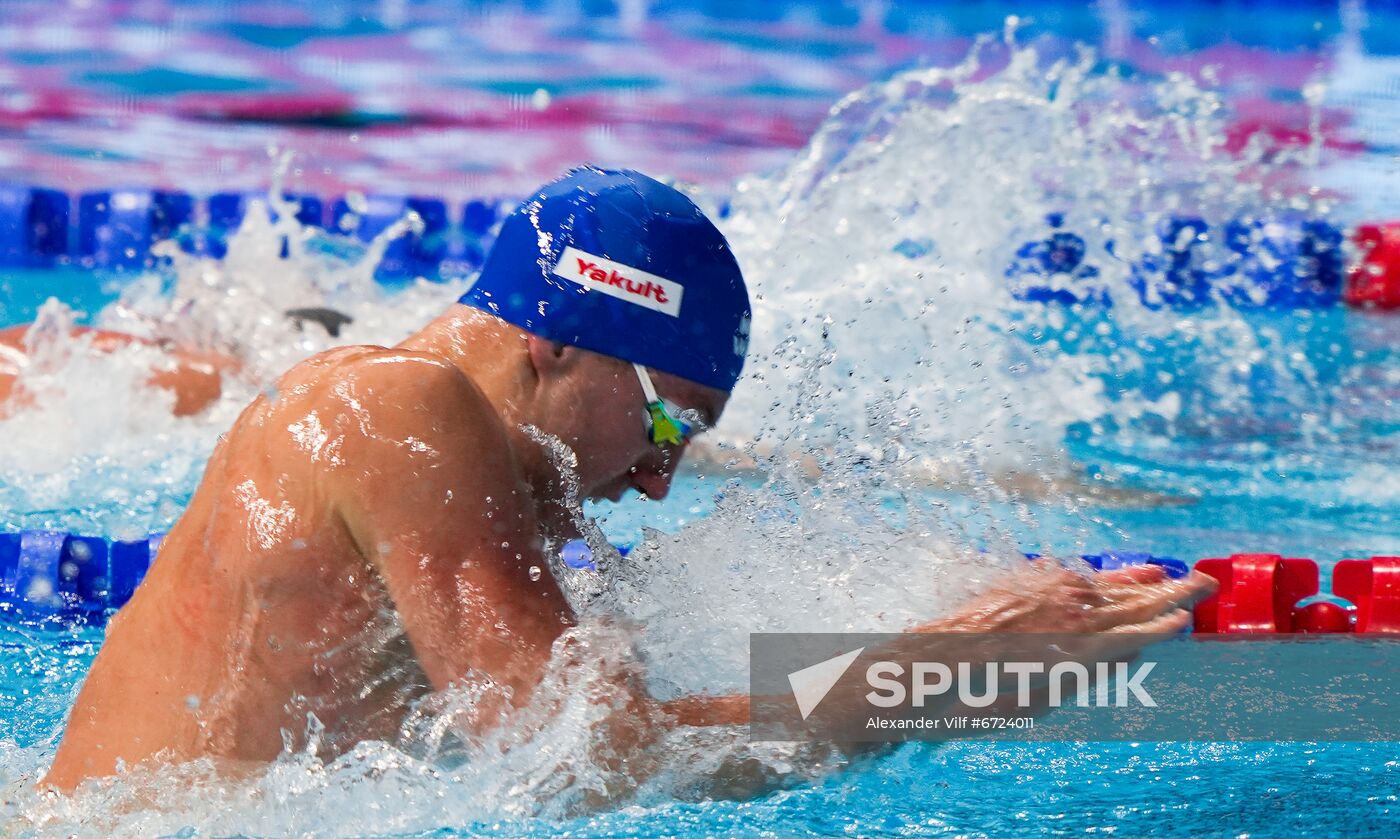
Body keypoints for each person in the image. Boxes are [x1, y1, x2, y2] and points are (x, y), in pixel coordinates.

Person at [42, 167, 1213, 792]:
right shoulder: (398, 408)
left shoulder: (498, 474)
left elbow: (588, 735)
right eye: (664, 421)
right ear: (554, 334)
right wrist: (925, 679)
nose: (655, 483)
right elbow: (582, 766)